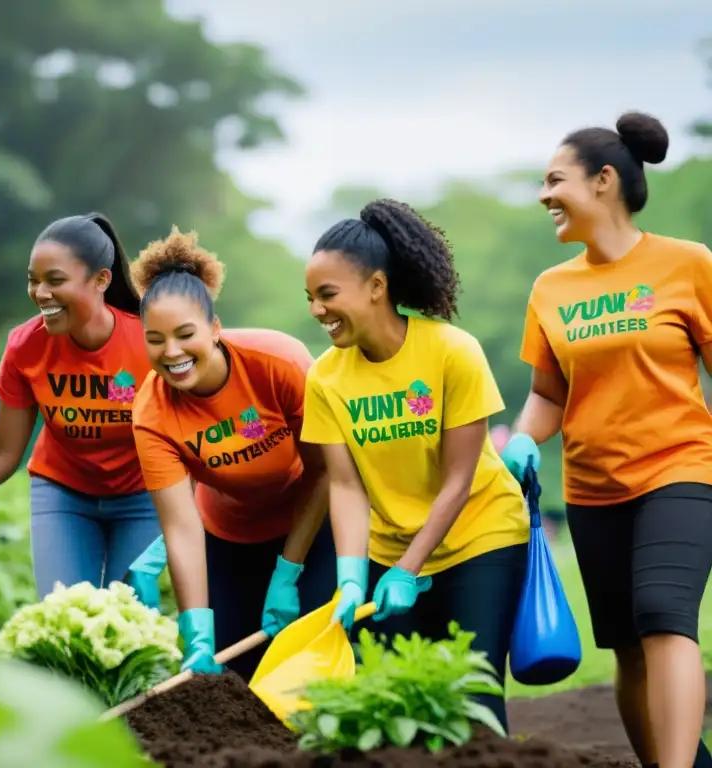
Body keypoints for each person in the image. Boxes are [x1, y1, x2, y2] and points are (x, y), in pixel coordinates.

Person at [500, 111, 712, 768]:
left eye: (554, 179)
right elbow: (546, 395)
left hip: (680, 469)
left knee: (662, 613)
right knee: (624, 642)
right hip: (592, 489)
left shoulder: (688, 264)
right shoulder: (552, 288)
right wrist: (524, 441)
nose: (543, 195)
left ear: (604, 181)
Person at [299, 198, 530, 731]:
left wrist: (410, 569)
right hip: (387, 548)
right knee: (395, 704)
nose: (317, 309)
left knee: (473, 698)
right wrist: (352, 576)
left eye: (328, 294)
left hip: (480, 537)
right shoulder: (325, 378)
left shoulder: (452, 352)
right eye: (310, 298)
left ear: (376, 287)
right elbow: (346, 486)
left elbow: (459, 479)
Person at [125, 226, 335, 681]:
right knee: (236, 682)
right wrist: (196, 629)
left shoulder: (279, 361)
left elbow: (323, 473)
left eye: (185, 334)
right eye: (155, 339)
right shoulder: (151, 414)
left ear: (215, 328)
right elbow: (181, 528)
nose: (172, 352)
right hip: (230, 538)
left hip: (314, 529)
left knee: (312, 666)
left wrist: (288, 570)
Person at [0, 213, 161, 597]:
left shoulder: (150, 343)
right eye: (33, 280)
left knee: (130, 624)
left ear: (101, 280)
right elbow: (2, 452)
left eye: (55, 280)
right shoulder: (27, 346)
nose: (40, 292)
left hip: (144, 497)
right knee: (62, 617)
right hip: (64, 494)